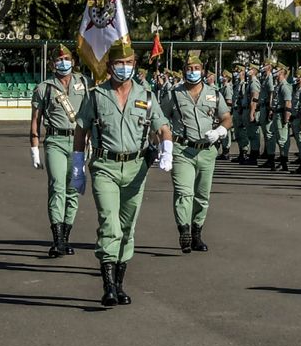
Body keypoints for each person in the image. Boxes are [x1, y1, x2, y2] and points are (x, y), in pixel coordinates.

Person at [70, 37, 173, 308]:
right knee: (110, 225)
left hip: (137, 168)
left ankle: (119, 283)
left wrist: (167, 148)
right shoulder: (96, 95)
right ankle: (107, 286)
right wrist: (77, 167)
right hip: (105, 167)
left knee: (127, 228)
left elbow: (162, 125)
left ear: (134, 64)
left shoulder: (146, 95)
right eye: (118, 63)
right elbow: (81, 129)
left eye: (128, 63)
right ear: (110, 65)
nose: (123, 67)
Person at [163, 51, 232, 253]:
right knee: (184, 192)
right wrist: (163, 145)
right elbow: (161, 119)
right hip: (182, 149)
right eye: (189, 69)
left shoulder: (214, 93)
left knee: (202, 196)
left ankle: (196, 232)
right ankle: (183, 230)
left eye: (196, 69)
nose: (193, 72)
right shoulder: (174, 94)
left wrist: (220, 130)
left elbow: (227, 117)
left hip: (207, 151)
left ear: (202, 70)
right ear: (183, 71)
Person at [30, 45, 88, 258]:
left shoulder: (83, 83)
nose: (63, 62)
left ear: (73, 61)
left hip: (79, 142)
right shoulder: (44, 87)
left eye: (67, 58)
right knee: (57, 186)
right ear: (52, 63)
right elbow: (35, 119)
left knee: (74, 189)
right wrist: (34, 147)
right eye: (59, 59)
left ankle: (66, 237)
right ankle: (57, 239)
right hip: (55, 140)